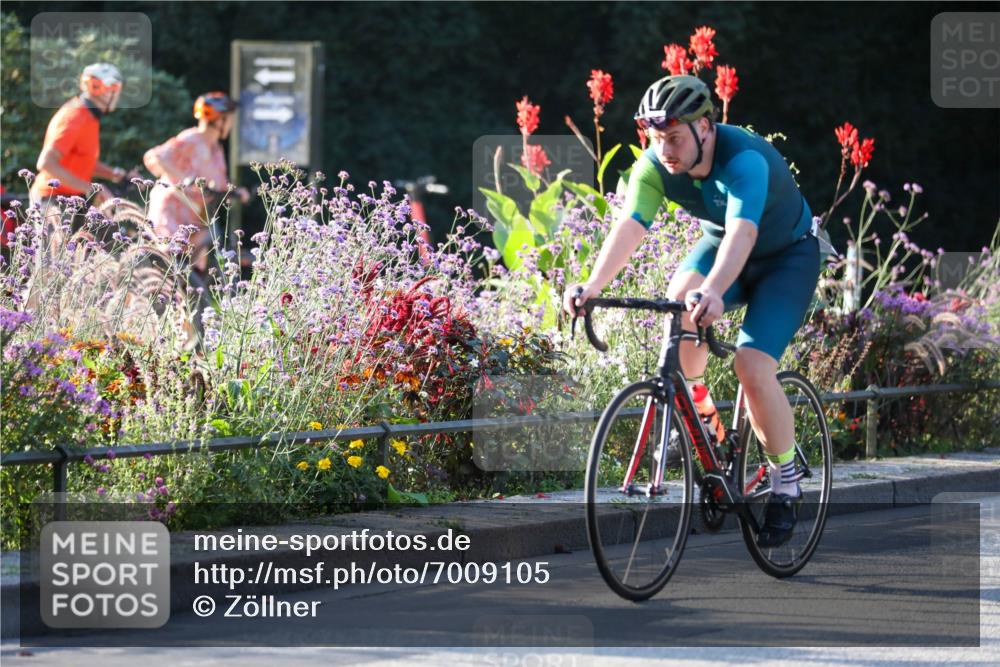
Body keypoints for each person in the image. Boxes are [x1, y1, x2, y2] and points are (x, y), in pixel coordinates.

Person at [563, 75, 821, 548]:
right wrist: (592, 285)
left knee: (751, 364)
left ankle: (786, 479)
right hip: (723, 246)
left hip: (786, 258)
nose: (666, 151)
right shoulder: (655, 164)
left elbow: (744, 233)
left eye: (676, 138)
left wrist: (717, 291)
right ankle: (705, 423)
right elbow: (630, 226)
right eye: (657, 139)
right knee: (679, 296)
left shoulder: (743, 159)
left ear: (705, 127)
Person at [143, 91, 249, 273]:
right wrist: (183, 179)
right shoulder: (192, 139)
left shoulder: (215, 149)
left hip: (195, 215)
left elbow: (218, 183)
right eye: (230, 118)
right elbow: (155, 157)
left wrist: (236, 192)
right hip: (173, 210)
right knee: (169, 262)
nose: (232, 123)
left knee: (199, 258)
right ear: (219, 120)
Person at [30, 63, 130, 209]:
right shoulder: (76, 116)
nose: (117, 94)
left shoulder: (89, 117)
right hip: (52, 199)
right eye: (113, 88)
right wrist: (89, 189)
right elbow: (46, 163)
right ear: (96, 88)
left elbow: (82, 159)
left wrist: (117, 175)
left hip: (72, 198)